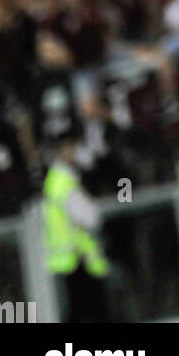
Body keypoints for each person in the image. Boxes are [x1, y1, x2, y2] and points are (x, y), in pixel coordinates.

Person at [42, 133, 110, 323]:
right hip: (78, 260)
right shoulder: (64, 181)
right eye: (72, 148)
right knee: (91, 314)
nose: (76, 152)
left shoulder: (55, 180)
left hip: (68, 261)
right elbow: (91, 217)